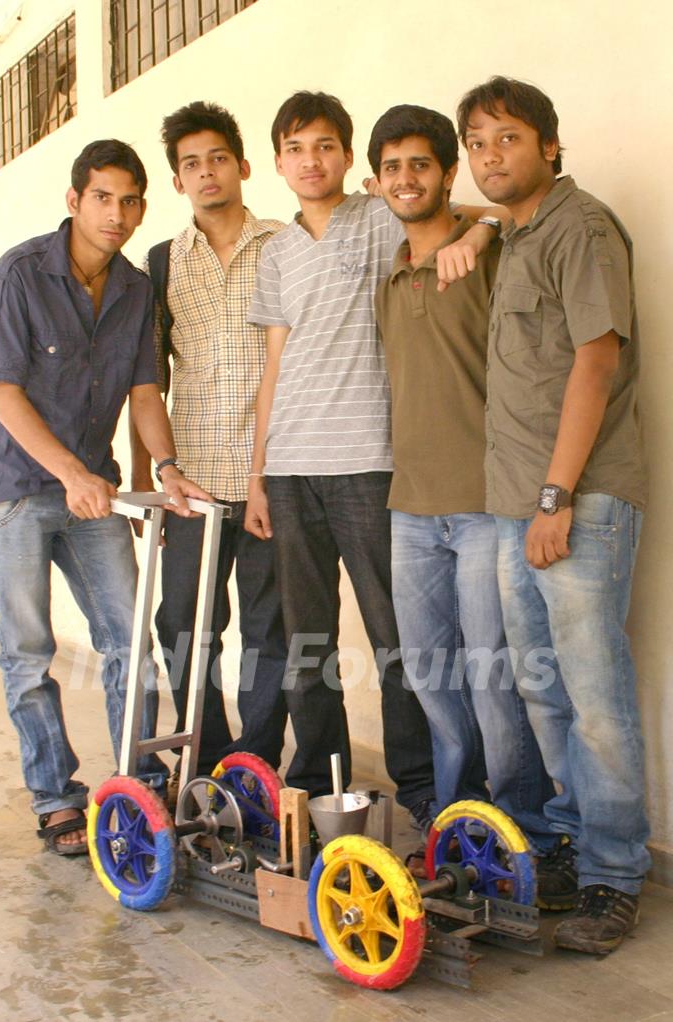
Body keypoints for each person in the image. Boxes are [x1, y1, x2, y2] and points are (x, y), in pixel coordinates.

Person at [0, 139, 210, 856]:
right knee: (28, 650)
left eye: (131, 200)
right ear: (75, 201)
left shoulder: (135, 289)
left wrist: (164, 466)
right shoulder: (18, 275)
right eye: (103, 197)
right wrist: (71, 475)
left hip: (94, 486)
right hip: (13, 488)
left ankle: (136, 776)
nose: (118, 213)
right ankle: (54, 797)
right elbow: (5, 396)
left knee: (127, 637)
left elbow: (143, 391)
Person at [457, 75, 649, 953]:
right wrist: (481, 220)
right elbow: (470, 203)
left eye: (508, 138)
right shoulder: (519, 232)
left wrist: (554, 498)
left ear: (550, 145)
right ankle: (572, 844)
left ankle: (614, 878)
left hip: (575, 500)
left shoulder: (582, 228)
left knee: (595, 694)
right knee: (543, 687)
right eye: (478, 142)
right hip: (514, 506)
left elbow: (595, 363)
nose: (490, 156)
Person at [247, 90, 452, 824]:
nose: (311, 160)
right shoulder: (275, 251)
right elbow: (275, 362)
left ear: (347, 154)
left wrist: (476, 236)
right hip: (291, 466)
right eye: (297, 148)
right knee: (309, 640)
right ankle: (316, 778)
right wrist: (258, 473)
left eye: (326, 145)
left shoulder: (377, 217)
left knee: (397, 636)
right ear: (277, 161)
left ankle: (421, 786)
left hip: (367, 461)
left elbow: (461, 217)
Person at [369, 104, 553, 850]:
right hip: (409, 510)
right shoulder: (390, 277)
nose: (406, 178)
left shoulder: (488, 256)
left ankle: (527, 836)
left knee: (495, 679)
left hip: (483, 509)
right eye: (392, 167)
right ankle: (459, 828)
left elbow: (516, 218)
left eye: (421, 164)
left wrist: (482, 227)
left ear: (448, 173)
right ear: (377, 181)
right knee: (433, 678)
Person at [131, 102, 288, 775]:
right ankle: (207, 759)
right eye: (191, 164)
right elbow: (147, 381)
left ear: (243, 165)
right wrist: (149, 483)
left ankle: (250, 770)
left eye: (217, 158)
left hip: (272, 478)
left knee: (269, 633)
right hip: (191, 484)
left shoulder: (287, 245)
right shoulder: (162, 262)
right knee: (184, 627)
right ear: (177, 182)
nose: (206, 172)